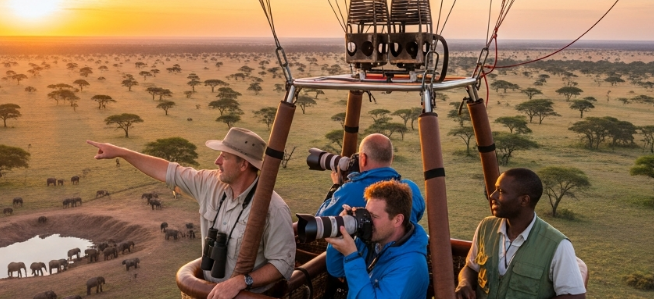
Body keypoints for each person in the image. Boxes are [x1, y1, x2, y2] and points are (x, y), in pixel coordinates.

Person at [87, 127, 295, 299]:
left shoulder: (273, 208)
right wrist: (122, 152)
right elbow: (167, 170)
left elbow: (282, 263)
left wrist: (243, 281)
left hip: (248, 296)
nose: (217, 161)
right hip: (209, 291)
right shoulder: (210, 183)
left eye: (224, 156)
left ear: (243, 165)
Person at [455, 168, 586, 299]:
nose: (492, 196)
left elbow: (576, 296)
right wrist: (464, 283)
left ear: (524, 200)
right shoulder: (486, 227)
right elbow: (471, 268)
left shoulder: (557, 245)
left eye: (501, 191)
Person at [324, 179, 429, 299]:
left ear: (397, 220)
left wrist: (352, 256)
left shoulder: (410, 265)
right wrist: (340, 231)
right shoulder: (373, 239)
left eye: (374, 216)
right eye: (367, 213)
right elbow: (336, 269)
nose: (368, 221)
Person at [316, 133, 425, 224]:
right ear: (391, 158)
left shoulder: (349, 191)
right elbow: (415, 218)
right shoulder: (411, 188)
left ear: (363, 159)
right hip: (407, 244)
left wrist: (336, 187)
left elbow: (320, 221)